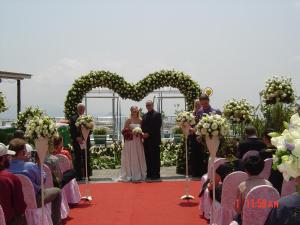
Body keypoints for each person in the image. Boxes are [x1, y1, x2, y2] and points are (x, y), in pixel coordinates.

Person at [8, 138, 62, 225]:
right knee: (58, 191)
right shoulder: (30, 165)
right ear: (22, 152)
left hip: (15, 203)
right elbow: (42, 180)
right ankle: (56, 222)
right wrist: (39, 164)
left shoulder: (6, 168)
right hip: (34, 200)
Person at [233, 155, 272, 224]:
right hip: (265, 221)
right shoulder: (269, 184)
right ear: (262, 168)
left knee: (235, 217)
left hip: (247, 222)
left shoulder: (242, 186)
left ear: (246, 169)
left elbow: (238, 209)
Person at [0, 143, 27, 225]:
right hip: (9, 220)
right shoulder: (10, 178)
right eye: (8, 156)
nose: (10, 158)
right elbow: (20, 207)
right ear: (3, 159)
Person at [119, 106, 147, 182]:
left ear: (137, 111)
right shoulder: (128, 120)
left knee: (138, 156)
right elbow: (124, 131)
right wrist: (132, 132)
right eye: (133, 111)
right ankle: (130, 174)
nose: (134, 112)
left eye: (135, 111)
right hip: (130, 141)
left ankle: (139, 174)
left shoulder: (140, 120)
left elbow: (143, 130)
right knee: (130, 157)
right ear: (131, 111)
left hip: (138, 141)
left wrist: (140, 132)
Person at [69, 103, 92, 181]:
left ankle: (87, 175)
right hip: (77, 141)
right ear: (77, 109)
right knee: (78, 158)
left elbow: (91, 129)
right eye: (80, 108)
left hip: (86, 141)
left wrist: (85, 136)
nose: (81, 110)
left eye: (83, 108)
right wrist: (76, 137)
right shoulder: (73, 118)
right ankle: (78, 175)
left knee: (86, 157)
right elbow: (71, 130)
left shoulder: (88, 118)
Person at [141, 100, 162, 181]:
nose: (148, 106)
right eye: (147, 105)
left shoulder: (157, 114)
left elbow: (157, 127)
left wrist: (148, 133)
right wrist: (143, 134)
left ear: (152, 105)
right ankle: (149, 173)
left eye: (149, 105)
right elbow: (142, 126)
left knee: (155, 158)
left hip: (154, 140)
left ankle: (156, 174)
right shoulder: (144, 115)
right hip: (146, 140)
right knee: (148, 158)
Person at [259, 129, 284, 193]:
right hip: (280, 179)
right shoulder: (283, 152)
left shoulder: (263, 152)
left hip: (264, 181)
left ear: (265, 139)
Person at [188, 99, 205, 177]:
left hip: (201, 136)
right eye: (196, 104)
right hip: (193, 136)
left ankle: (201, 172)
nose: (197, 105)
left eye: (199, 104)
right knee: (193, 155)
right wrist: (190, 129)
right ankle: (194, 172)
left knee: (201, 154)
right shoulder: (192, 113)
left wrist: (196, 130)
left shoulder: (203, 113)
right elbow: (187, 123)